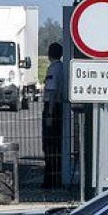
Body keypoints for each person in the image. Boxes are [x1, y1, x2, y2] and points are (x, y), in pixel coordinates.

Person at [40, 43, 66, 189]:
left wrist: (49, 114)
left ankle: (50, 180)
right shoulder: (62, 68)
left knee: (49, 145)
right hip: (59, 107)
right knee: (56, 145)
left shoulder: (53, 68)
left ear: (50, 54)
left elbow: (51, 91)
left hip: (52, 108)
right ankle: (55, 177)